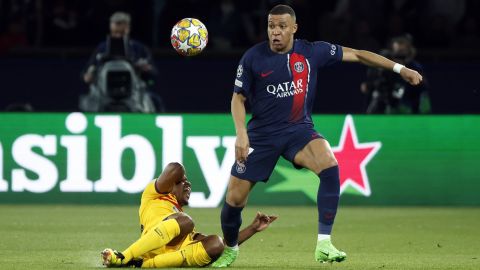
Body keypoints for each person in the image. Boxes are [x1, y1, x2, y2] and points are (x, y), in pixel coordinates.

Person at [212, 4, 422, 267]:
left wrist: (400, 69)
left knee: (330, 165)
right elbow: (237, 98)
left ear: (294, 28)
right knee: (234, 199)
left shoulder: (312, 52)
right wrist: (241, 134)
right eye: (271, 26)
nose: (275, 32)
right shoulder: (253, 57)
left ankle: (324, 243)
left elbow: (357, 55)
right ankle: (231, 248)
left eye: (281, 27)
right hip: (261, 135)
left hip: (298, 130)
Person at [101, 162, 277, 268]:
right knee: (186, 221)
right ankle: (124, 256)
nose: (188, 185)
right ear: (172, 185)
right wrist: (179, 175)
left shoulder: (182, 219)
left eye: (189, 184)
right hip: (149, 244)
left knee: (216, 243)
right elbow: (174, 169)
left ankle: (140, 265)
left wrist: (253, 228)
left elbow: (224, 244)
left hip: (165, 257)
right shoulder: (154, 195)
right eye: (183, 182)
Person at [82, 11, 157, 86]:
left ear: (128, 29)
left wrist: (147, 70)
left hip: (134, 91)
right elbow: (86, 72)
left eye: (121, 33)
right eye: (114, 32)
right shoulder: (102, 48)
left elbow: (153, 76)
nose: (118, 36)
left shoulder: (139, 48)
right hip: (104, 91)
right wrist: (88, 75)